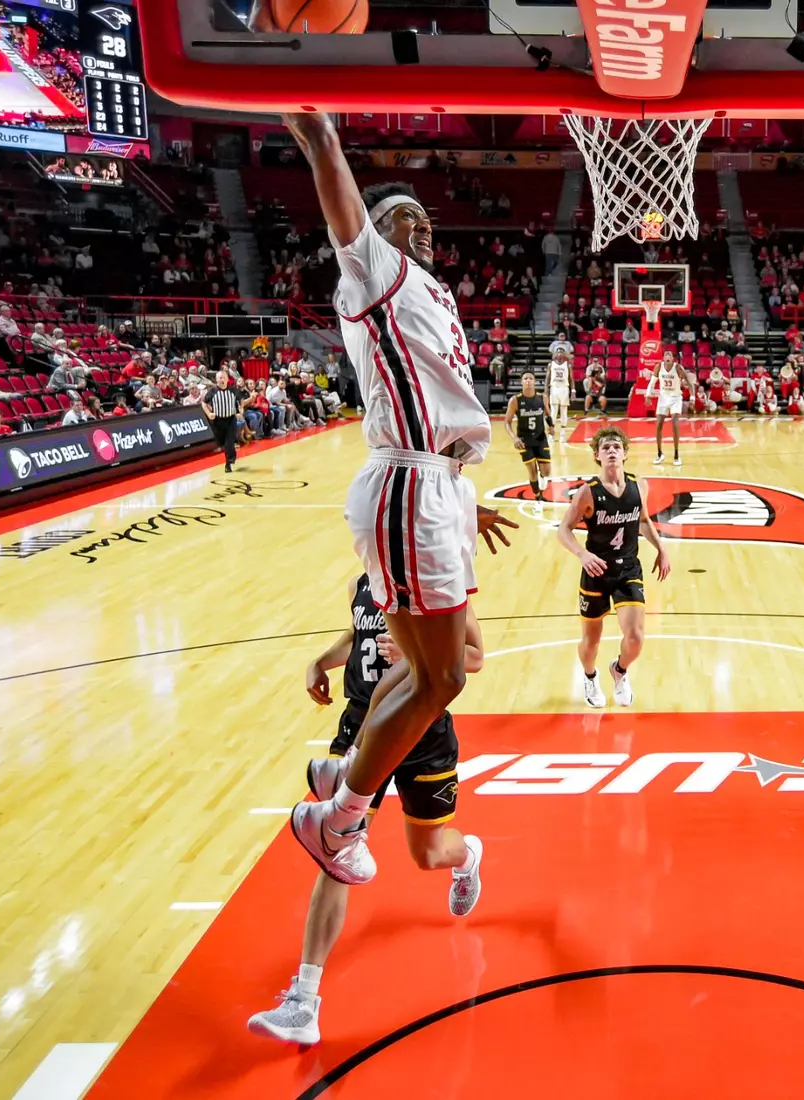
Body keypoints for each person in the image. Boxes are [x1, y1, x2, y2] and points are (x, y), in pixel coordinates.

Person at [276, 107, 518, 885]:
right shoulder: (374, 270)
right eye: (402, 219)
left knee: (423, 673)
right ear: (377, 234)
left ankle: (338, 787)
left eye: (424, 220)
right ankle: (340, 815)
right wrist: (322, 141)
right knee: (441, 677)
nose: (421, 229)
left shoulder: (435, 293)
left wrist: (463, 491)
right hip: (407, 484)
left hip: (438, 484)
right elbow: (346, 219)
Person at [247, 576, 486, 1046]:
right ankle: (304, 1001)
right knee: (336, 853)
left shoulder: (435, 579)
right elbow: (357, 636)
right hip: (361, 725)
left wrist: (418, 659)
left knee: (429, 853)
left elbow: (475, 656)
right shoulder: (368, 576)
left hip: (423, 730)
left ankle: (467, 858)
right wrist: (321, 661)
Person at [557, 428, 671, 708]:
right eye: (605, 447)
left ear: (625, 454)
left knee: (635, 637)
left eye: (616, 447)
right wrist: (582, 554)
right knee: (591, 641)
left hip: (628, 569)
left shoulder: (638, 486)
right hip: (596, 572)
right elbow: (563, 529)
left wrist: (661, 548)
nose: (611, 451)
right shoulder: (588, 492)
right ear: (597, 455)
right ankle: (589, 675)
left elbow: (643, 521)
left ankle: (619, 670)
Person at [505, 372, 553, 502]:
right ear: (521, 382)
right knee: (532, 470)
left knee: (546, 472)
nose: (528, 381)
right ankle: (537, 497)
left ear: (534, 382)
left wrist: (552, 426)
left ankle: (542, 479)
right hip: (524, 440)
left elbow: (548, 414)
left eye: (530, 378)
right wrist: (514, 438)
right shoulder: (515, 400)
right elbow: (507, 422)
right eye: (525, 378)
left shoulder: (542, 398)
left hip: (540, 438)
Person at [648, 351, 692, 467]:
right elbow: (652, 382)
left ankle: (676, 455)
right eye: (665, 354)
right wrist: (648, 395)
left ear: (673, 358)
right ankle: (659, 453)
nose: (667, 356)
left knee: (675, 423)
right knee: (658, 425)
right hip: (663, 397)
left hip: (676, 398)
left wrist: (692, 397)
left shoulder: (678, 368)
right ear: (663, 357)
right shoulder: (659, 366)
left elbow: (689, 383)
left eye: (669, 355)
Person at [202, 369, 246, 473]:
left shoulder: (233, 390)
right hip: (218, 421)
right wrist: (209, 414)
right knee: (221, 442)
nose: (221, 380)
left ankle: (229, 463)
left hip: (231, 420)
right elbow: (204, 403)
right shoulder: (212, 391)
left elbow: (241, 399)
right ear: (216, 380)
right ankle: (231, 455)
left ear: (227, 379)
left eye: (223, 377)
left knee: (229, 442)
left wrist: (241, 408)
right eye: (219, 378)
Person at [546, 349, 573, 432]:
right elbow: (547, 378)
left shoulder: (567, 365)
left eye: (561, 352)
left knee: (564, 410)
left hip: (564, 388)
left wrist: (573, 390)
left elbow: (571, 378)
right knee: (553, 410)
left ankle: (563, 430)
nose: (560, 354)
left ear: (564, 354)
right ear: (555, 354)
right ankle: (552, 428)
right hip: (554, 388)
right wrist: (546, 390)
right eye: (558, 352)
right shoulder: (551, 364)